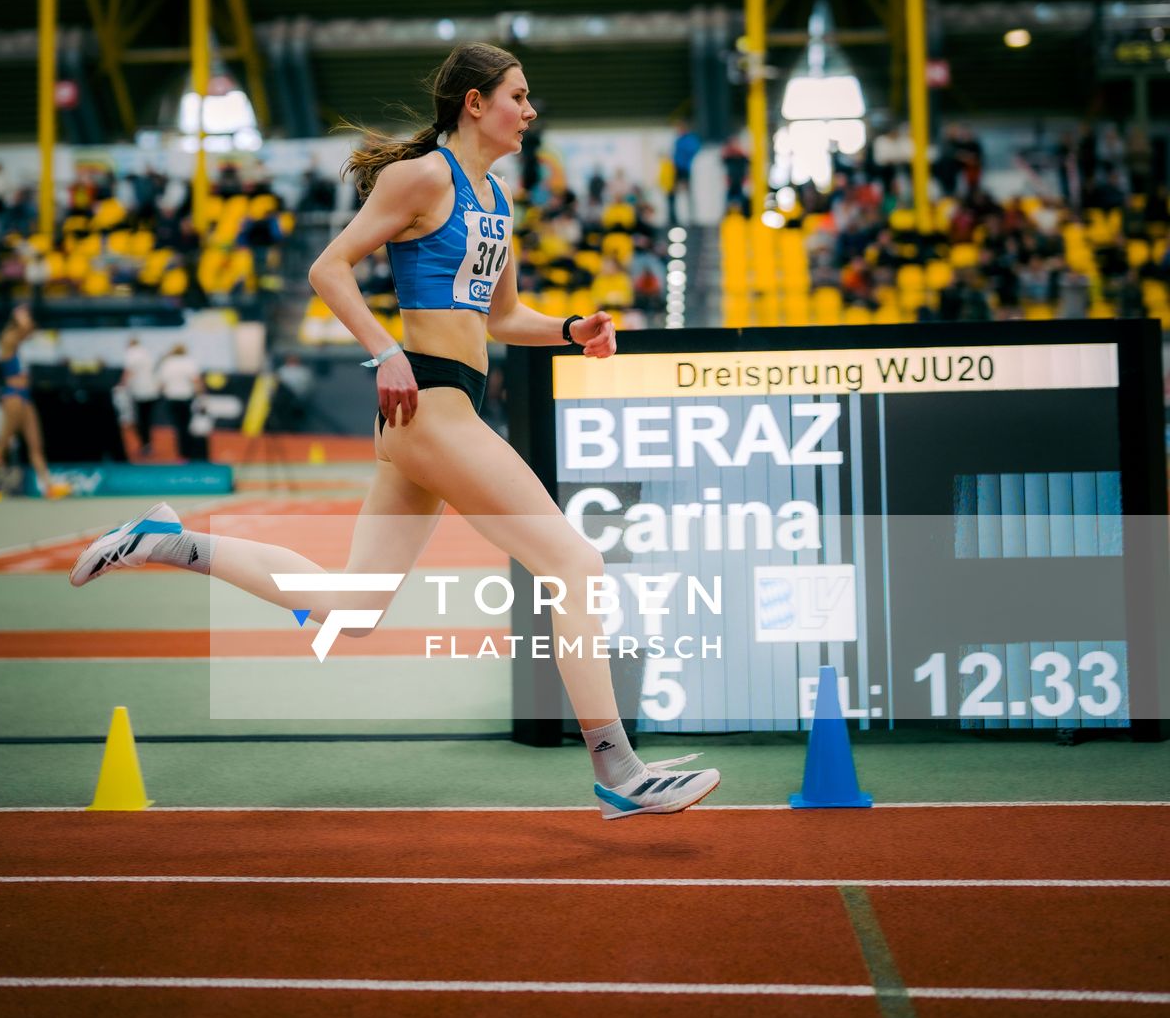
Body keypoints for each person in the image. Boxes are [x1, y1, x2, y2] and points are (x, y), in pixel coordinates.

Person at [68, 43, 719, 822]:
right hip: (430, 402)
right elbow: (329, 268)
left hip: (443, 412)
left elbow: (504, 317)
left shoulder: (494, 197)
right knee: (574, 562)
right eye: (518, 95)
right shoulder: (424, 177)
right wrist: (385, 352)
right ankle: (617, 768)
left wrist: (574, 329)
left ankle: (168, 541)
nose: (529, 110)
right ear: (474, 103)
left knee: (353, 606)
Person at [0, 307, 62, 497]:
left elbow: (30, 330)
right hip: (13, 396)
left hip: (25, 396)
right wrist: (21, 317)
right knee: (2, 443)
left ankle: (48, 487)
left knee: (36, 444)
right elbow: (25, 330)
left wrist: (25, 320)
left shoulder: (19, 344)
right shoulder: (7, 339)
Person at [156, 342, 200, 459]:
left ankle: (182, 452)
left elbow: (161, 384)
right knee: (187, 425)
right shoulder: (189, 362)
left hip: (172, 398)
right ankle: (189, 451)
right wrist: (201, 395)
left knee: (178, 426)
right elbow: (196, 381)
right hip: (186, 397)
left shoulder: (167, 363)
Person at [122, 336, 160, 456]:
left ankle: (145, 444)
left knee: (139, 419)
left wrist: (121, 385)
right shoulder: (146, 352)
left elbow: (129, 372)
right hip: (152, 390)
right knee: (147, 419)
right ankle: (148, 444)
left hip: (139, 391)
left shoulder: (132, 353)